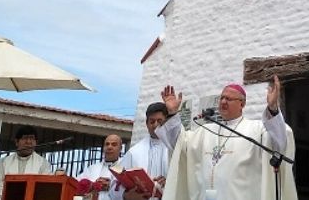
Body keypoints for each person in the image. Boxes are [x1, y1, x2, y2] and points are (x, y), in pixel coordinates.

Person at [156, 75, 297, 200]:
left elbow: (280, 142)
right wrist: (172, 113)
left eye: (228, 99)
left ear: (242, 104)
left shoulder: (257, 130)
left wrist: (272, 109)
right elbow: (178, 144)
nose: (223, 102)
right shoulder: (205, 131)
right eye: (221, 98)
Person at [120, 102, 170, 200]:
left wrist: (170, 183)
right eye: (152, 121)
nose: (155, 125)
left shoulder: (175, 148)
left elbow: (186, 177)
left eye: (159, 121)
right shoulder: (134, 152)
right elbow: (117, 182)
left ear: (166, 122)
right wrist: (126, 195)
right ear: (147, 124)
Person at [0, 125, 51, 200]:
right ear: (16, 142)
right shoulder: (3, 163)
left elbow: (45, 190)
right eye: (25, 138)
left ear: (36, 143)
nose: (28, 142)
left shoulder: (43, 164)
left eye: (32, 138)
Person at [77, 134, 124, 200]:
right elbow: (76, 185)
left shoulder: (125, 167)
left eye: (114, 144)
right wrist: (93, 185)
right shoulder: (93, 168)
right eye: (107, 144)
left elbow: (130, 190)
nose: (109, 147)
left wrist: (111, 185)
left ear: (120, 148)